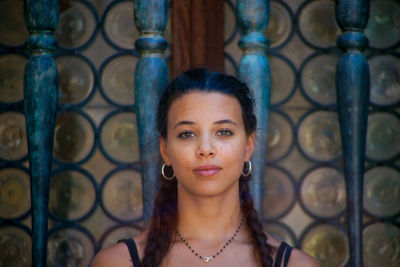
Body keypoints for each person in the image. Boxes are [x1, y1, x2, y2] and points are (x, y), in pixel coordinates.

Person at [91, 68, 319, 267]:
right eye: (187, 134)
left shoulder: (295, 264)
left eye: (223, 132)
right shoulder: (118, 262)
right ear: (165, 150)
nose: (206, 149)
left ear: (248, 147)